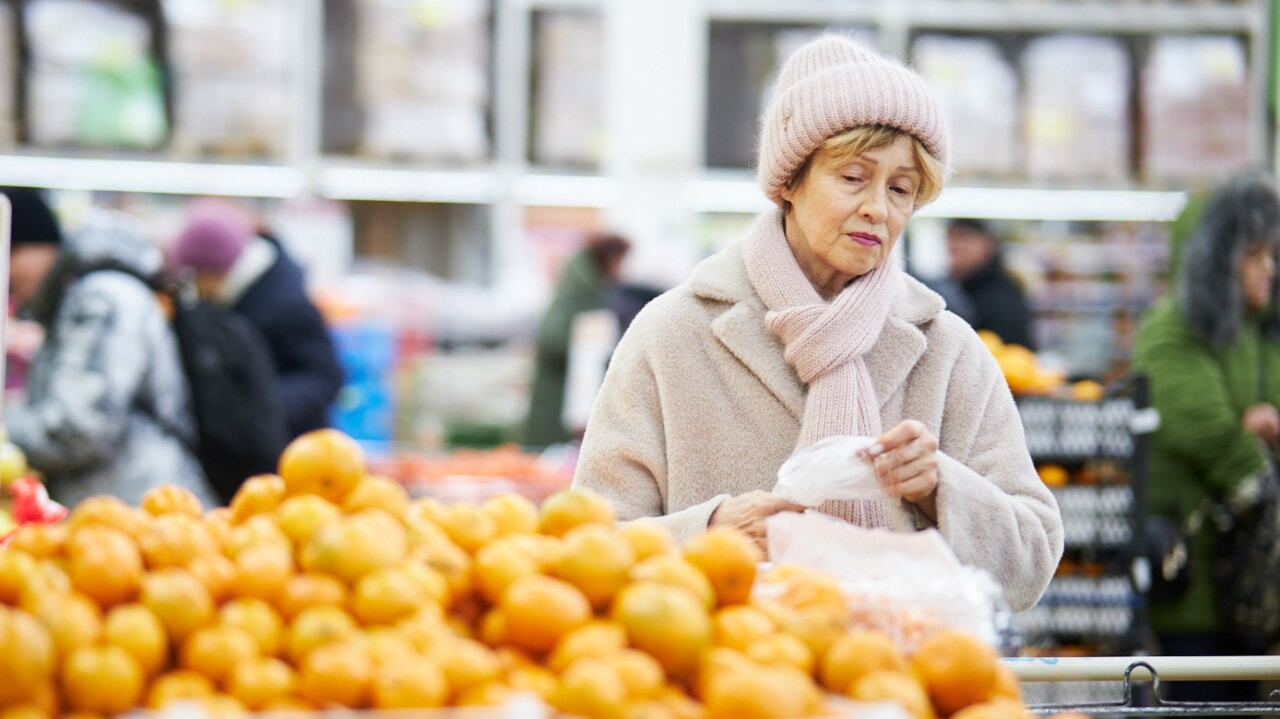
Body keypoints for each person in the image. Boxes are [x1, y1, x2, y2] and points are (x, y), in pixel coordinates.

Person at [572, 35, 1063, 612]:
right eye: (853, 177)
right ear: (789, 181)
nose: (878, 208)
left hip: (898, 686)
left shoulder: (946, 350)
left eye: (901, 188)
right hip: (726, 683)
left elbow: (1032, 564)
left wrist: (939, 489)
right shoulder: (674, 333)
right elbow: (587, 548)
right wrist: (707, 534)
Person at [1130, 170, 1280, 702]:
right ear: (1222, 256)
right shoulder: (1174, 328)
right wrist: (1251, 440)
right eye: (1257, 254)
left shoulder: (1252, 333)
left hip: (1245, 583)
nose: (1269, 267)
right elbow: (1212, 438)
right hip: (1196, 581)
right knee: (1201, 700)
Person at [1, 187, 214, 507]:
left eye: (12, 252)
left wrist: (6, 426)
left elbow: (79, 431)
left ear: (44, 244)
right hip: (115, 510)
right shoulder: (73, 300)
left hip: (145, 515)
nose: (7, 271)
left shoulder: (102, 299)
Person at [169, 199, 345, 440]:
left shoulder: (283, 304)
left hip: (294, 451)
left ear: (217, 270)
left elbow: (325, 376)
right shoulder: (227, 301)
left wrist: (259, 407)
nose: (195, 285)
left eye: (198, 275)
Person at [525, 233, 631, 447]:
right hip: (558, 397)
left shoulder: (591, 288)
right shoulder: (579, 290)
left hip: (572, 396)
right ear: (609, 257)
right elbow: (551, 337)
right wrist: (590, 350)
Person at [946, 218, 1036, 349]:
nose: (955, 245)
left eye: (964, 240)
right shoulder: (962, 287)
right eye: (951, 241)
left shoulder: (1000, 295)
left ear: (988, 245)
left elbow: (1014, 354)